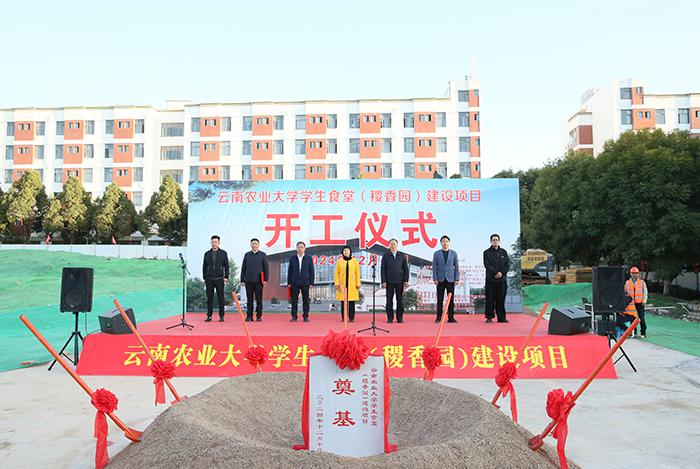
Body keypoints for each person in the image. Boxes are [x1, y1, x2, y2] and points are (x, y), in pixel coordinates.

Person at [432, 235, 459, 323]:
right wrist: (435, 278)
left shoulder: (454, 253)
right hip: (440, 280)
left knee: (450, 300)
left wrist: (456, 278)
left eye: (446, 241)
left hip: (451, 279)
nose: (445, 243)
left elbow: (456, 267)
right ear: (441, 243)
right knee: (439, 300)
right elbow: (434, 267)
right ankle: (438, 317)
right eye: (443, 241)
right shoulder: (436, 253)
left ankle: (451, 317)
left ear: (449, 243)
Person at [381, 238, 409, 323]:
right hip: (389, 282)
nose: (393, 245)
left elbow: (406, 269)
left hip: (400, 281)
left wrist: (406, 280)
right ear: (389, 246)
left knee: (399, 300)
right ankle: (390, 318)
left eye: (394, 244)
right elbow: (383, 269)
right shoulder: (386, 256)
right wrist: (383, 281)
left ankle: (399, 318)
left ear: (397, 245)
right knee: (389, 300)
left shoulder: (402, 256)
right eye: (391, 244)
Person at [483, 233, 510, 323]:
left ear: (499, 241)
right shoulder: (486, 252)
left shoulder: (503, 252)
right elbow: (487, 265)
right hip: (491, 280)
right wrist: (495, 273)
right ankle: (489, 317)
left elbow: (507, 265)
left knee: (501, 299)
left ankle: (501, 318)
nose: (495, 241)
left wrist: (501, 273)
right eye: (493, 240)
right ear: (491, 241)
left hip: (502, 280)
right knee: (490, 299)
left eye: (497, 240)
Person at [202, 235, 229, 322]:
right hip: (209, 279)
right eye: (212, 242)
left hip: (220, 278)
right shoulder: (207, 254)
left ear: (219, 243)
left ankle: (221, 316)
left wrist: (226, 277)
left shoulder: (223, 253)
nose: (214, 244)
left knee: (221, 298)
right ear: (211, 243)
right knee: (209, 298)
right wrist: (204, 277)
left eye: (216, 242)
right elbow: (204, 266)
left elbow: (227, 266)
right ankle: (209, 316)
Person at [240, 238, 269, 322]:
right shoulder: (247, 255)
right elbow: (243, 268)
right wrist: (242, 280)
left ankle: (259, 316)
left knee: (259, 299)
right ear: (250, 245)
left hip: (259, 281)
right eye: (252, 244)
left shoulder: (263, 255)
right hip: (248, 280)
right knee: (249, 300)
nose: (254, 245)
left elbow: (266, 268)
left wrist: (265, 279)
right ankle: (249, 316)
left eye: (256, 244)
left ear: (258, 245)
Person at [286, 241, 315, 322]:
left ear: (304, 248)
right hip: (294, 282)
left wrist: (311, 282)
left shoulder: (309, 258)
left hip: (305, 282)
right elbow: (289, 271)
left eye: (302, 247)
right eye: (299, 247)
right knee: (294, 300)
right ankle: (294, 316)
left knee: (306, 300)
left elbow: (311, 271)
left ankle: (305, 316)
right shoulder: (292, 258)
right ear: (296, 248)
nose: (300, 249)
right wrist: (289, 282)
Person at [334, 245, 361, 322]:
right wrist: (337, 283)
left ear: (350, 252)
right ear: (342, 252)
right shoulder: (339, 261)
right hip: (342, 284)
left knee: (352, 302)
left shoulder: (354, 261)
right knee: (343, 302)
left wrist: (358, 283)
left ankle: (351, 318)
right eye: (344, 250)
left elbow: (357, 273)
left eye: (347, 250)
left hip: (352, 285)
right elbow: (337, 273)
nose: (346, 252)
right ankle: (344, 318)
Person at [625, 266, 648, 338]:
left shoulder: (642, 282)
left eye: (636, 273)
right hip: (631, 304)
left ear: (638, 274)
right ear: (630, 274)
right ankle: (633, 333)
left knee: (642, 318)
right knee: (633, 319)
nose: (634, 274)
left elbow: (645, 292)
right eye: (633, 273)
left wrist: (644, 301)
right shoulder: (627, 283)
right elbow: (625, 292)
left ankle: (643, 333)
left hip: (640, 303)